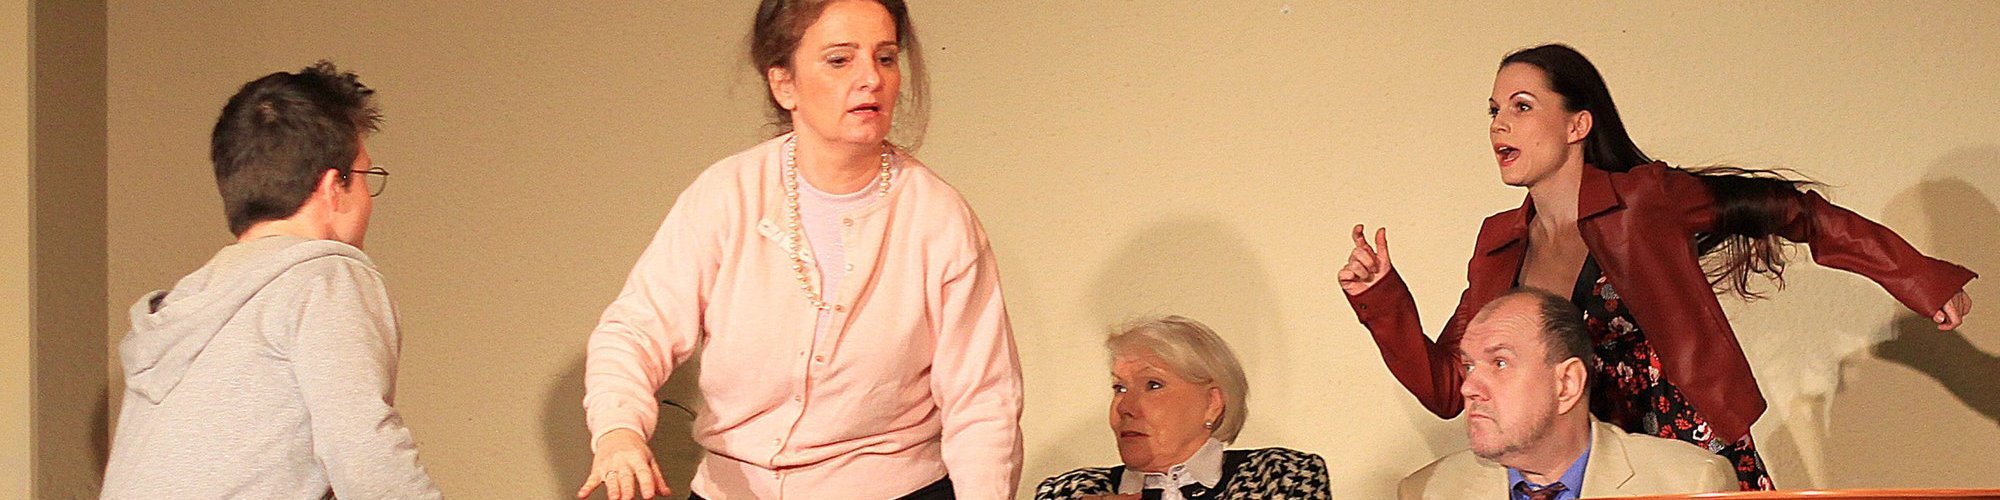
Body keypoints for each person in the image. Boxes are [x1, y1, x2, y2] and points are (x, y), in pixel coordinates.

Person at [1339, 43, 1977, 490]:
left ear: (1577, 124)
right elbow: (1447, 387)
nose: (1499, 124)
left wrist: (1916, 278)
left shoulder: (1644, 200)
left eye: (1522, 106)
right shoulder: (1499, 245)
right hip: (1581, 466)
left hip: (1684, 449)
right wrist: (1382, 298)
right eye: (1494, 110)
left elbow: (1793, 211)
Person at [576, 1, 1022, 499]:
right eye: (840, 60)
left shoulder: (938, 219)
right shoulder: (727, 195)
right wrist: (619, 430)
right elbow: (635, 332)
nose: (871, 79)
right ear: (783, 84)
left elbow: (983, 403)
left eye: (885, 58)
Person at [101, 61, 437, 499]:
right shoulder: (324, 276)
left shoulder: (187, 303)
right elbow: (368, 457)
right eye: (364, 177)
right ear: (333, 187)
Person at [1398, 290, 1734, 500]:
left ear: (1567, 384)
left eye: (1500, 363)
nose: (1468, 387)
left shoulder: (1690, 484)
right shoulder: (1426, 492)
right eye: (1469, 367)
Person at [1036, 316, 1329, 500]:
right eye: (1119, 388)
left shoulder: (1279, 476)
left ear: (1212, 403)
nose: (1125, 407)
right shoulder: (1069, 492)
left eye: (1153, 385)